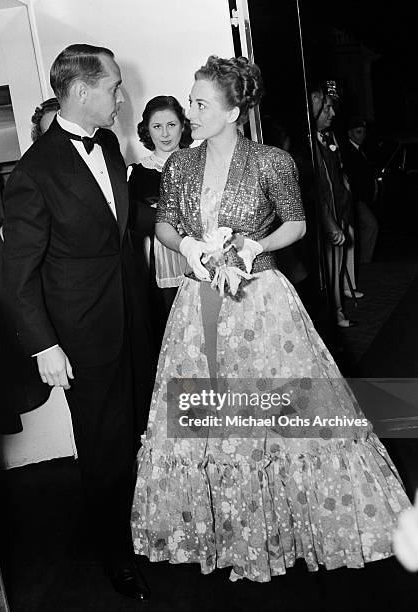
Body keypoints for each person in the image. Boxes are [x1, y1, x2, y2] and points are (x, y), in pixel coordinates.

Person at [131, 55, 410, 583]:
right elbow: (164, 222)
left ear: (233, 110)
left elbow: (299, 224)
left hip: (260, 302)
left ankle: (298, 524)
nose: (191, 113)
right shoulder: (180, 165)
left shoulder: (271, 161)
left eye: (200, 104)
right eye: (190, 102)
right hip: (198, 304)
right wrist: (189, 245)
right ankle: (219, 529)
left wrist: (255, 245)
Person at [3, 44, 152, 602]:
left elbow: (122, 218)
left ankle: (146, 527)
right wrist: (45, 347)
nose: (121, 96)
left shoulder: (109, 143)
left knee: (139, 432)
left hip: (131, 317)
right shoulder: (34, 172)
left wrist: (188, 237)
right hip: (82, 338)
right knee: (105, 447)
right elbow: (20, 274)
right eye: (114, 86)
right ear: (83, 90)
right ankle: (115, 555)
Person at [128, 96, 192, 347]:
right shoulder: (135, 173)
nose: (165, 134)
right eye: (157, 126)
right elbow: (132, 224)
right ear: (147, 130)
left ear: (183, 126)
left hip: (199, 260)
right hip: (157, 267)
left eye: (172, 125)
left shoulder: (201, 163)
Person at [311, 82, 361, 327]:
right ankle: (334, 312)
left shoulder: (327, 140)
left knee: (337, 265)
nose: (332, 114)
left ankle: (338, 308)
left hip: (338, 210)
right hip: (324, 217)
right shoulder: (310, 145)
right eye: (327, 109)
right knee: (328, 271)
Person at [341, 116, 379, 264]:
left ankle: (363, 260)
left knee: (365, 228)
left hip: (362, 199)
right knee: (371, 225)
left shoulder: (359, 150)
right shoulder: (349, 152)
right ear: (350, 133)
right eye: (358, 132)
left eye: (363, 132)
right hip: (356, 199)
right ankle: (364, 261)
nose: (362, 135)